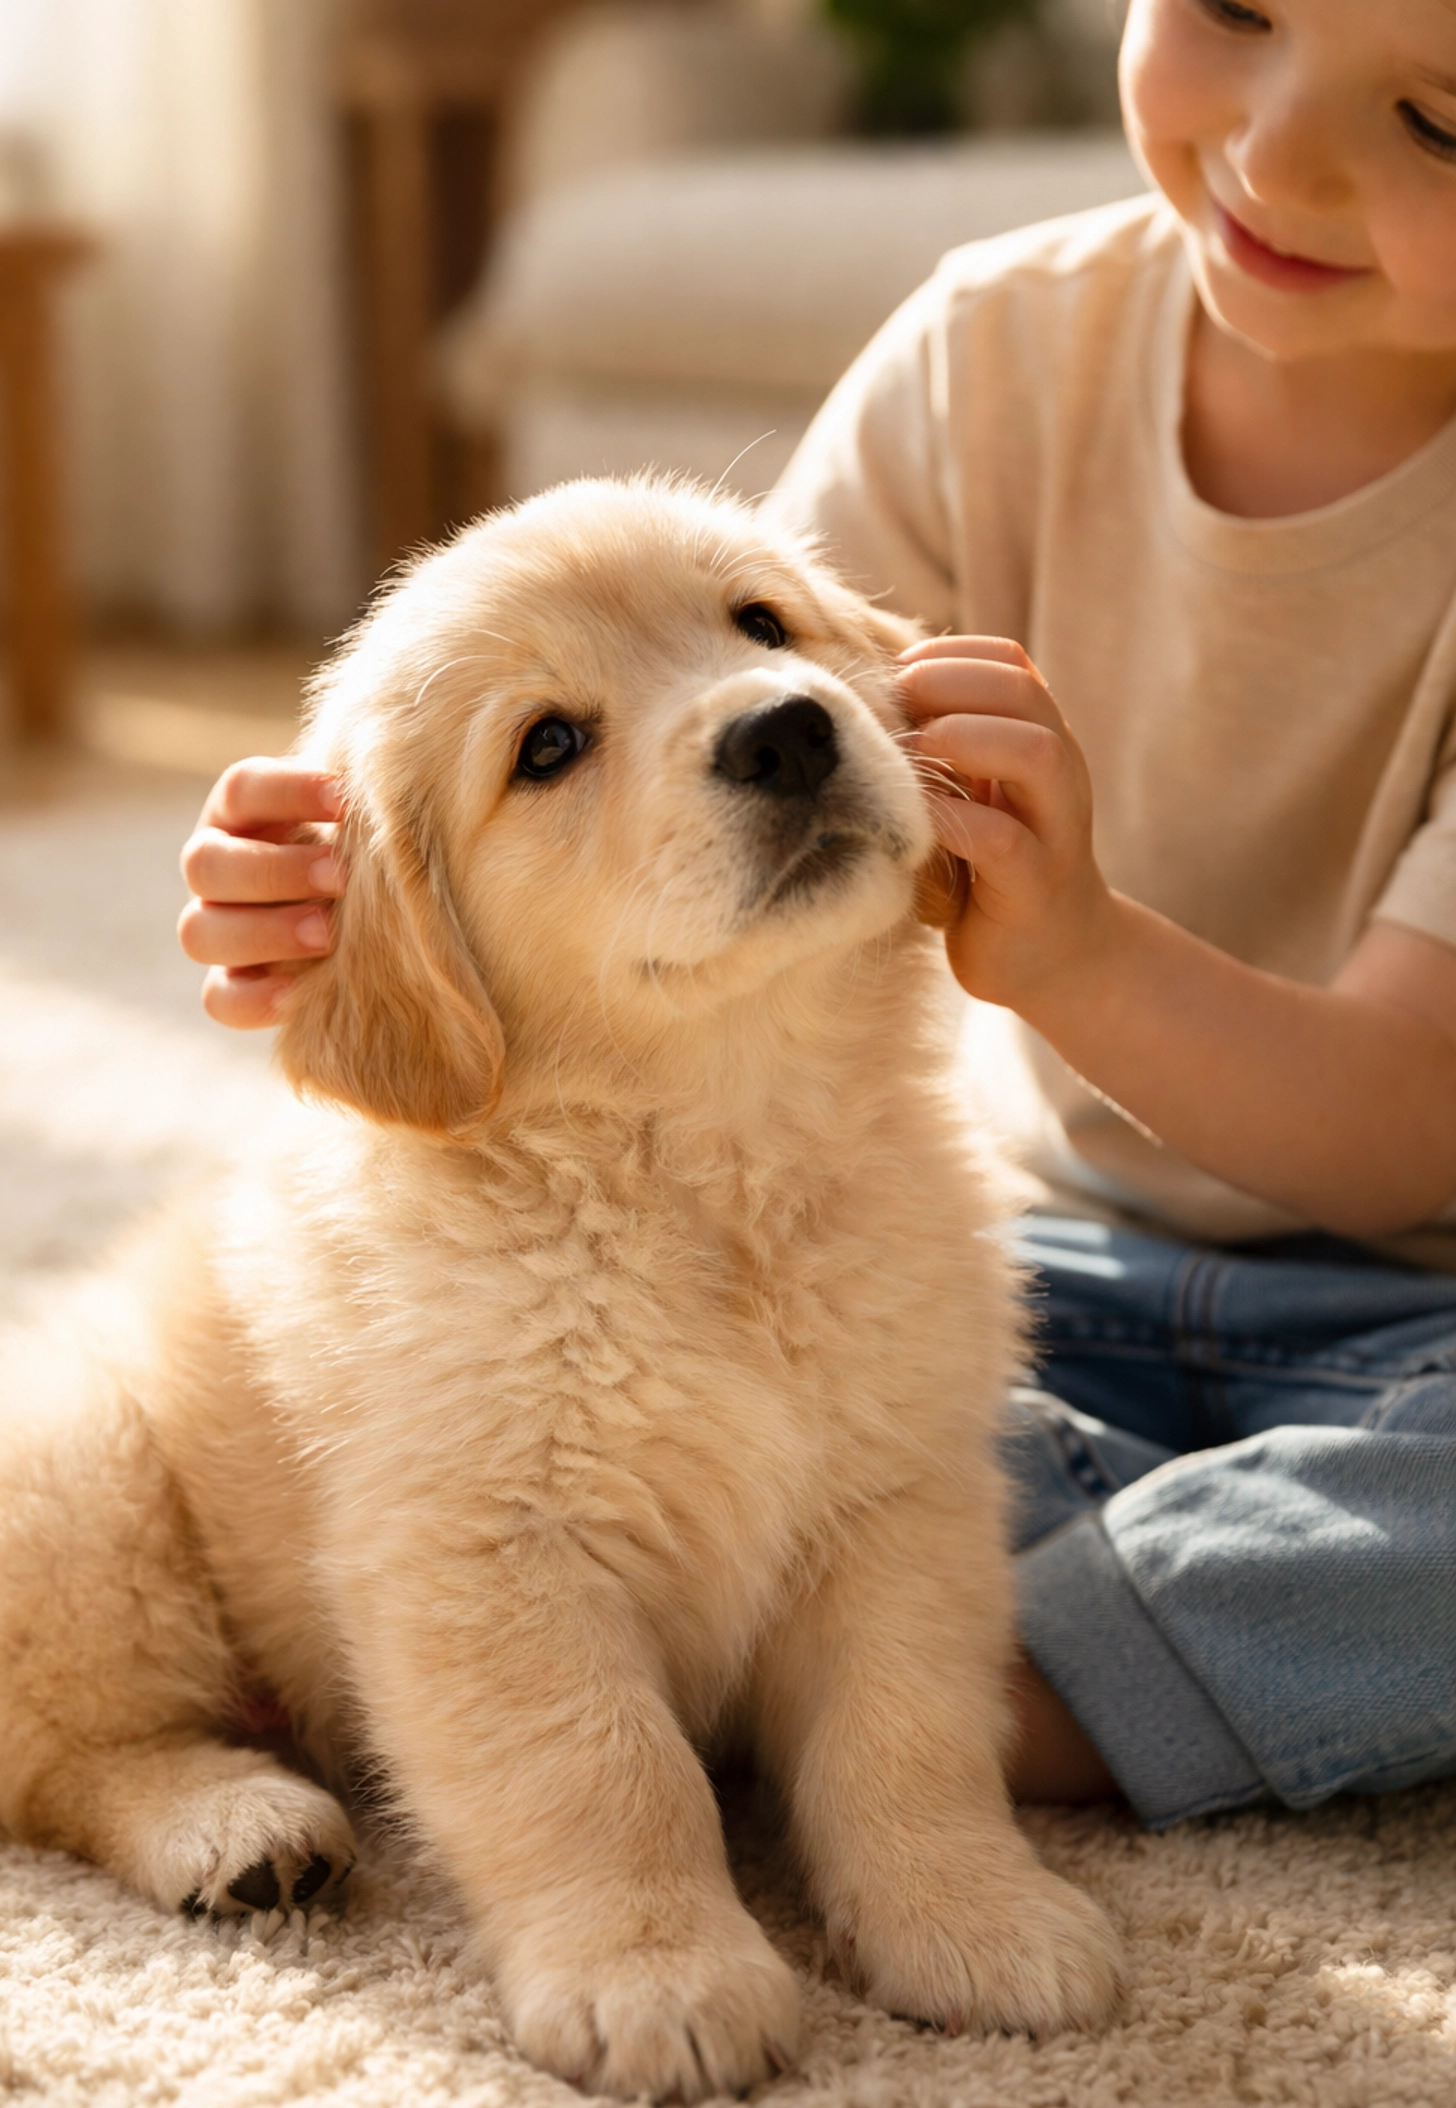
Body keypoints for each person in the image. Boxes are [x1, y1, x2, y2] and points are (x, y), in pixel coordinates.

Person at [178, 0, 1456, 1826]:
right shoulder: (986, 355)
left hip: (1415, 1310)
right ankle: (894, 1654)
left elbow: (1404, 1125)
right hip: (1048, 1270)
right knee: (724, 1413)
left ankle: (971, 1705)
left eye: (1434, 119)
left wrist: (1076, 951)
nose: (1277, 149)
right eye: (1236, 7)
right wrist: (332, 900)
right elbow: (700, 733)